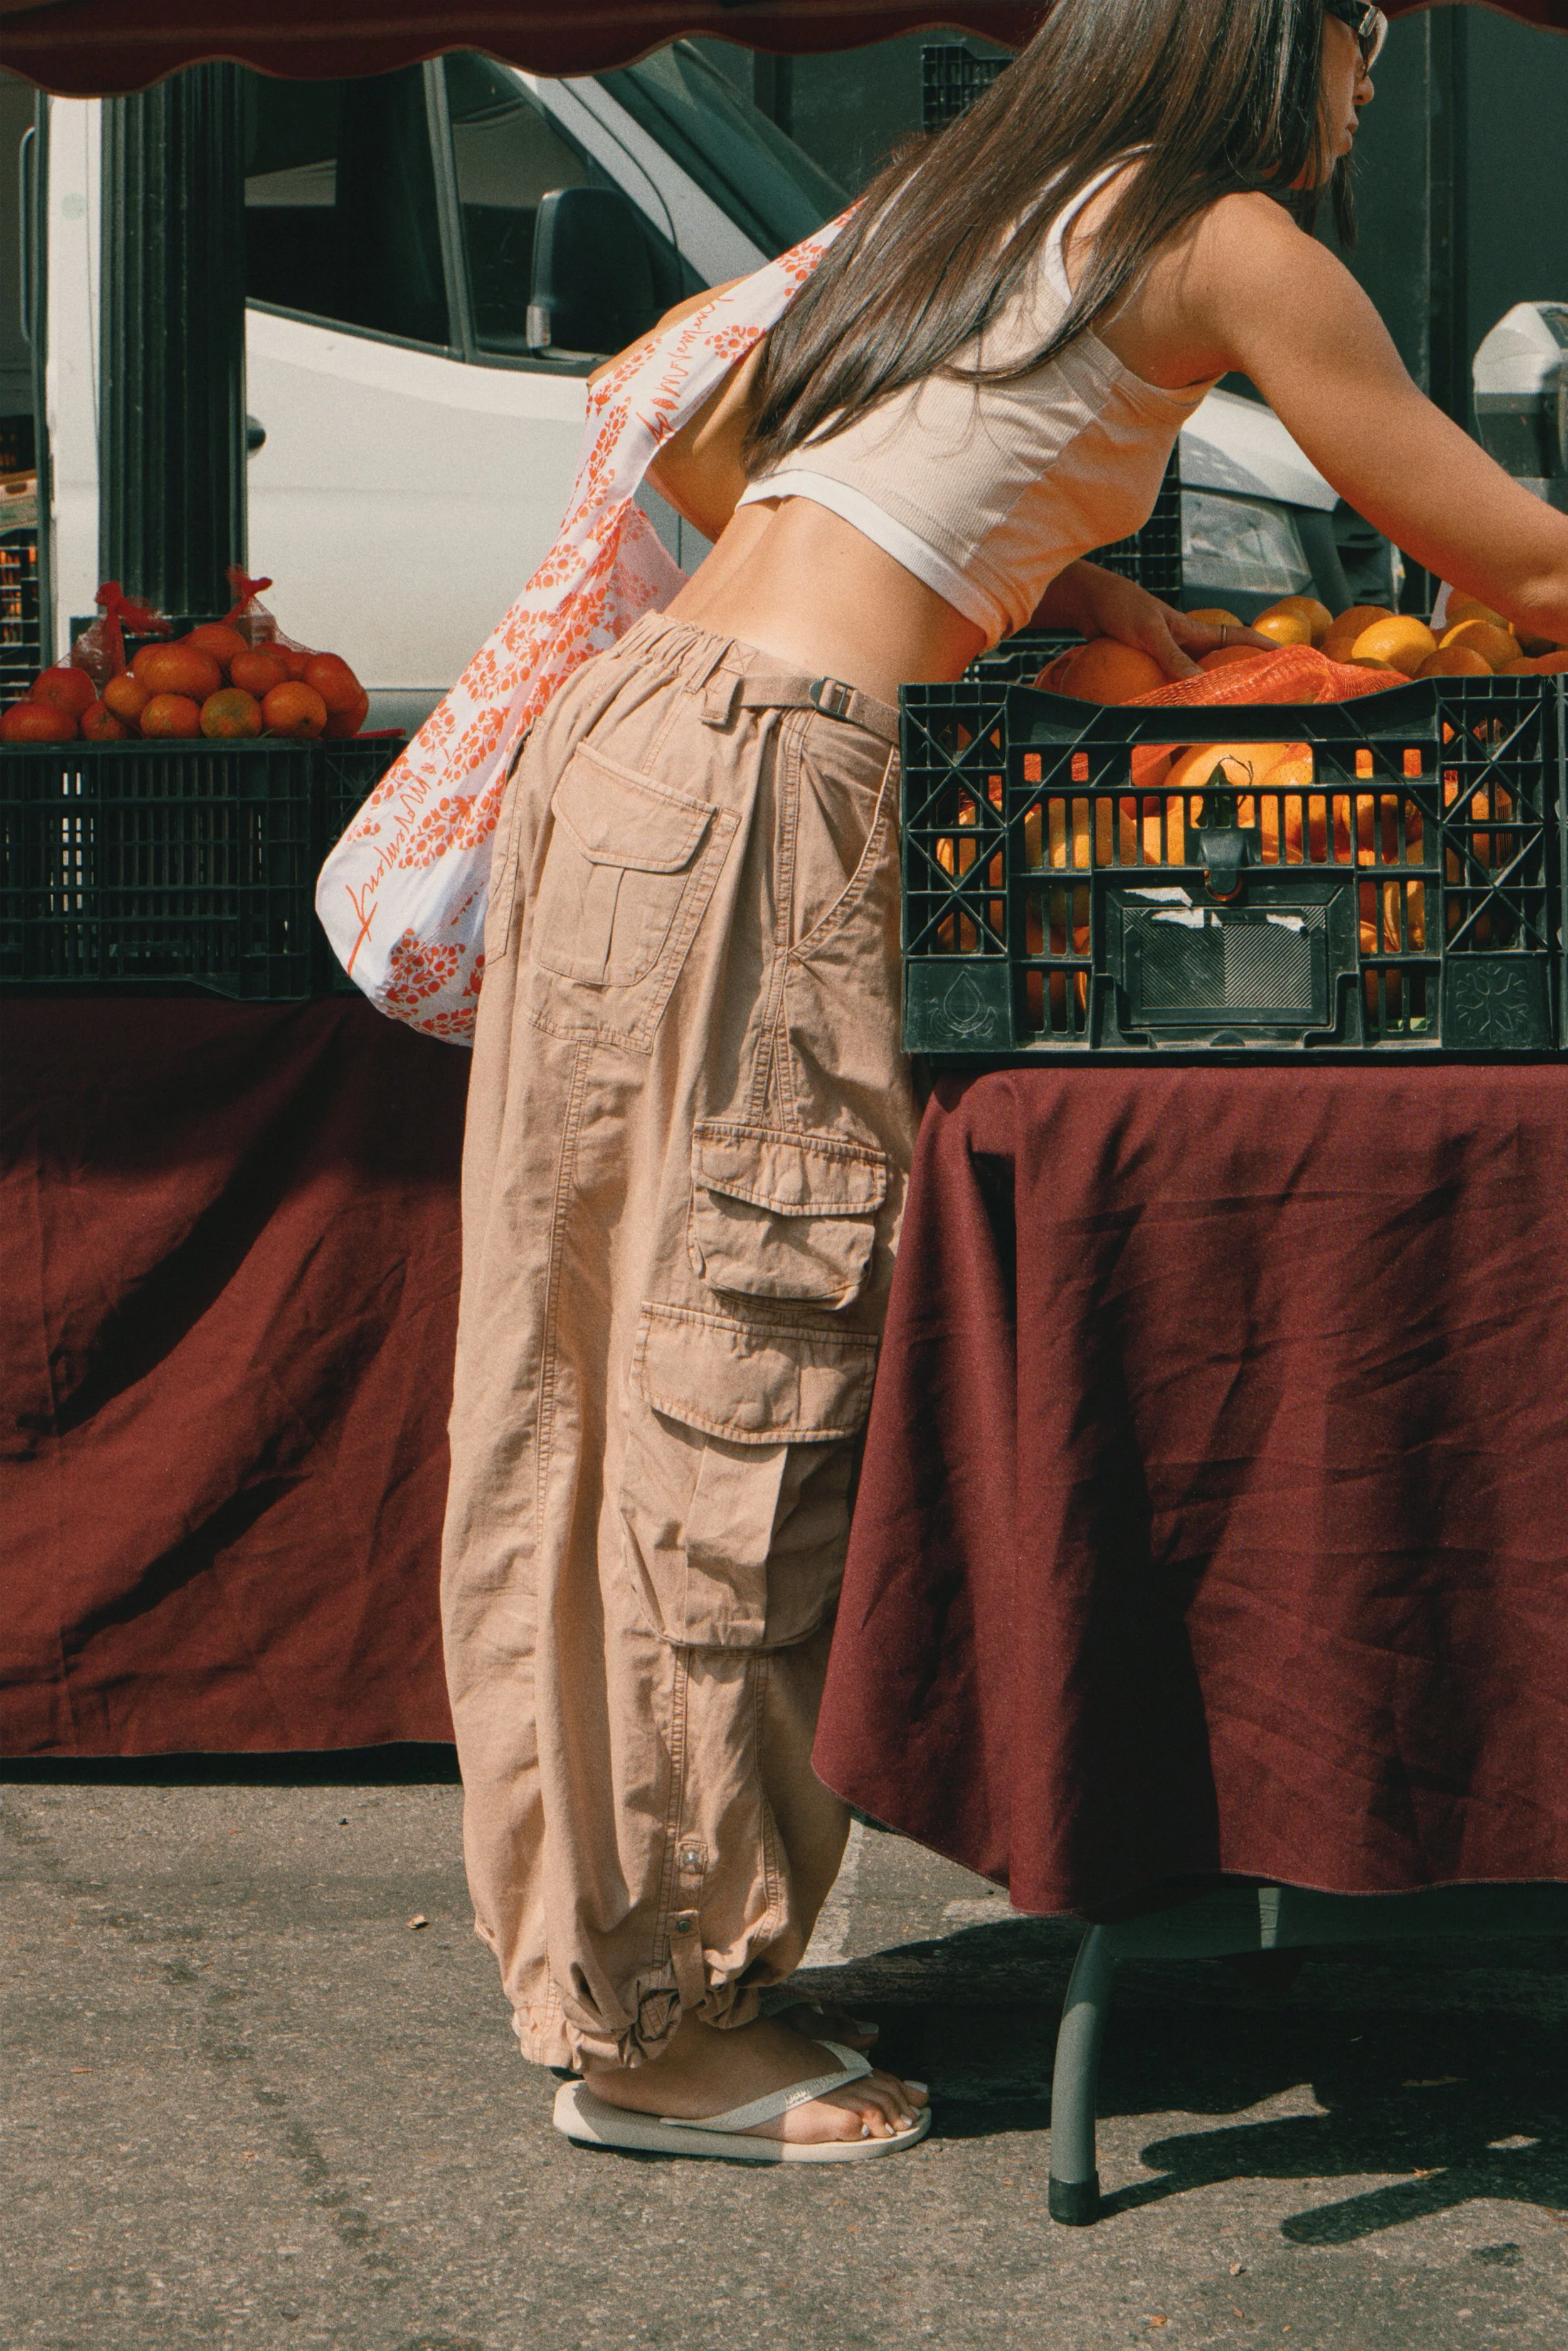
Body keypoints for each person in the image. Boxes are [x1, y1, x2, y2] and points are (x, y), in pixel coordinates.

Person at [441, 0, 1568, 2163]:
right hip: (784, 785)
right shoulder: (1221, 236)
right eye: (1360, 38)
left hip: (645, 733)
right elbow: (1507, 565)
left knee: (578, 1377)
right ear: (1271, 37)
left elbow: (675, 428)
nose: (1368, 83)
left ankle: (617, 1969)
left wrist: (1054, 573)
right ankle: (665, 2029)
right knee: (734, 1377)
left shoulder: (972, 200)